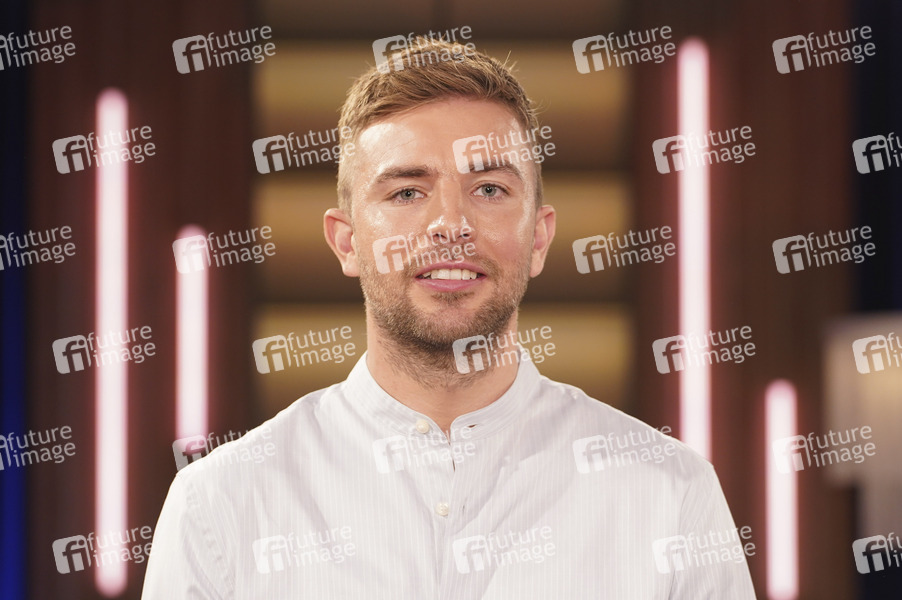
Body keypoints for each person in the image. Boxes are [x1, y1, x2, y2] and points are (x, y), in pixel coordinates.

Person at [142, 37, 756, 599]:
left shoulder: (670, 494)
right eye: (407, 192)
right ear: (347, 242)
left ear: (539, 238)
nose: (450, 225)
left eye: (489, 189)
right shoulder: (219, 506)